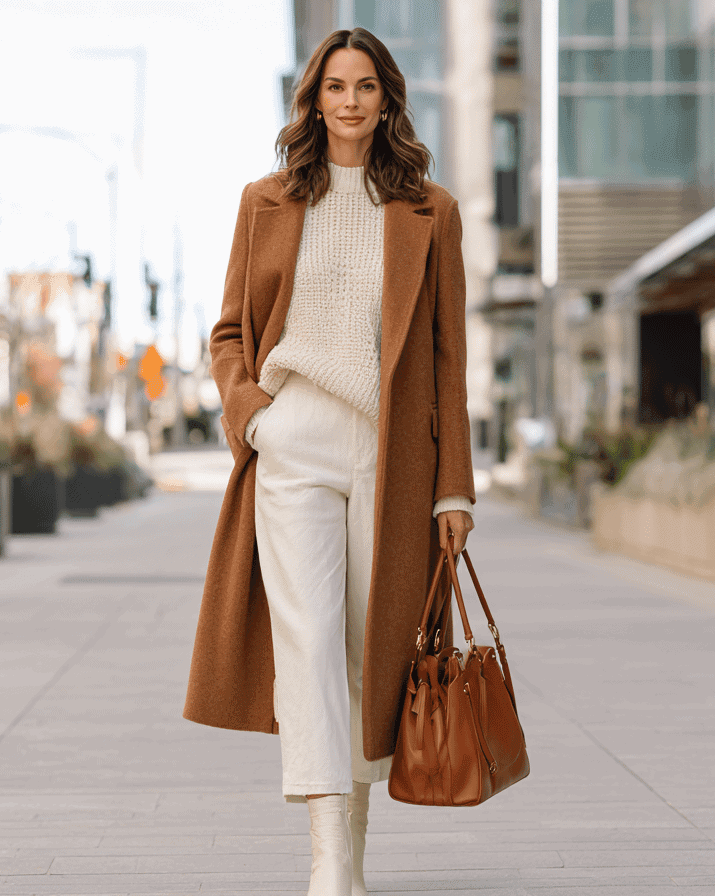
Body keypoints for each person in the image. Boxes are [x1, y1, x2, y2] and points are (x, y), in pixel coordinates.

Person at [183, 27, 475, 896]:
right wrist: (254, 416)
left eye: (366, 87)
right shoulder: (265, 200)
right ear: (312, 99)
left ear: (387, 100)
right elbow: (231, 329)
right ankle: (327, 862)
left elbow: (448, 357)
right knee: (306, 643)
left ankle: (352, 844)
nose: (349, 102)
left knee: (367, 651)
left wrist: (453, 485)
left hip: (395, 457)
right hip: (295, 438)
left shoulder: (432, 210)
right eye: (335, 87)